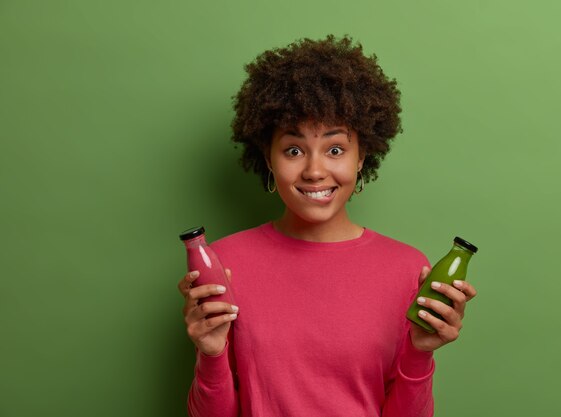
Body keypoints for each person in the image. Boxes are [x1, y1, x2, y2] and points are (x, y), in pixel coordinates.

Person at [177, 35, 477, 417]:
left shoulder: (407, 269)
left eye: (335, 149)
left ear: (361, 156)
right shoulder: (224, 264)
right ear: (268, 157)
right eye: (293, 150)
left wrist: (420, 353)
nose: (315, 171)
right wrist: (211, 352)